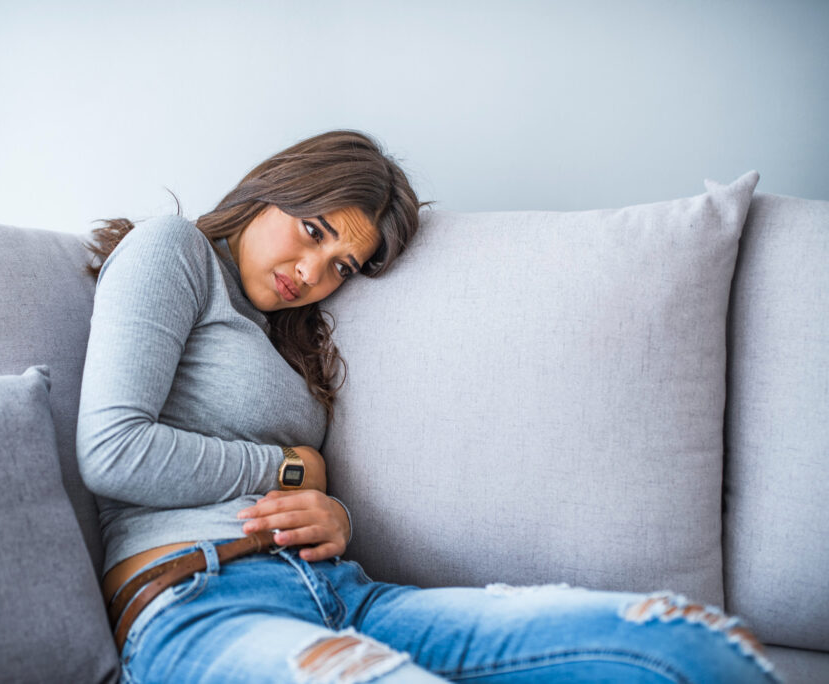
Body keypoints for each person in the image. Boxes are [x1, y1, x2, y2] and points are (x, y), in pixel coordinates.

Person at [75, 130, 779, 683]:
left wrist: (335, 513)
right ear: (274, 188)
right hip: (197, 596)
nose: (313, 274)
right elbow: (112, 452)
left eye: (341, 267)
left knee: (691, 649)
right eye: (314, 231)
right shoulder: (173, 249)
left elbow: (302, 480)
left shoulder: (287, 335)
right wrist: (290, 469)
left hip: (345, 594)